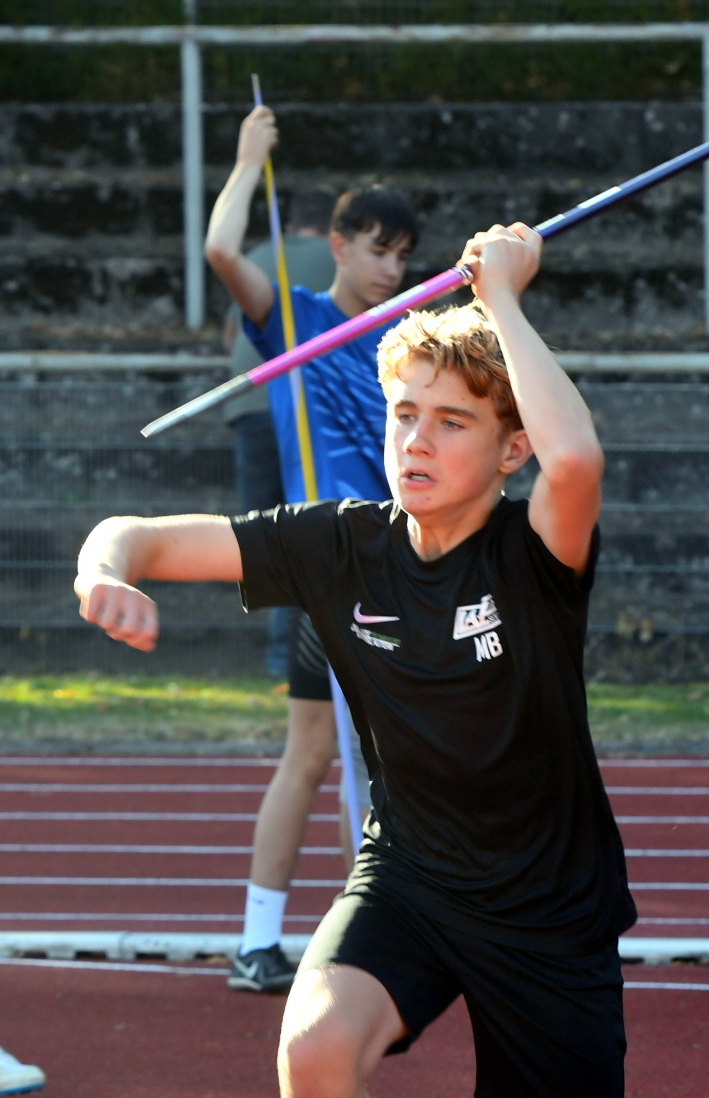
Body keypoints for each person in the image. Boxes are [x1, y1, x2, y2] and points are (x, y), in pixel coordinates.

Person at [75, 221, 709, 1098]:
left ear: (500, 451)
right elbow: (142, 532)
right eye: (401, 413)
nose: (415, 438)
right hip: (412, 876)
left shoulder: (532, 555)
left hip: (546, 914)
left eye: (451, 419)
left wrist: (501, 297)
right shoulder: (340, 546)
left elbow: (579, 458)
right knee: (314, 1053)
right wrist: (104, 565)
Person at [205, 103, 418, 993]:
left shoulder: (414, 331)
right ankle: (270, 940)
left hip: (400, 557)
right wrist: (250, 158)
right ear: (336, 243)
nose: (393, 268)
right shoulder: (291, 319)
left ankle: (351, 936)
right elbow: (222, 253)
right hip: (324, 557)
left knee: (375, 757)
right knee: (326, 754)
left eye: (405, 254)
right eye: (378, 250)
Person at [221, 185, 335, 678]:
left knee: (263, 530)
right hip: (306, 406)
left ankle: (280, 658)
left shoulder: (260, 253)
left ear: (289, 225)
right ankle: (302, 660)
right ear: (339, 232)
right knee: (306, 529)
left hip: (249, 404)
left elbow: (233, 334)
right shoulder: (342, 260)